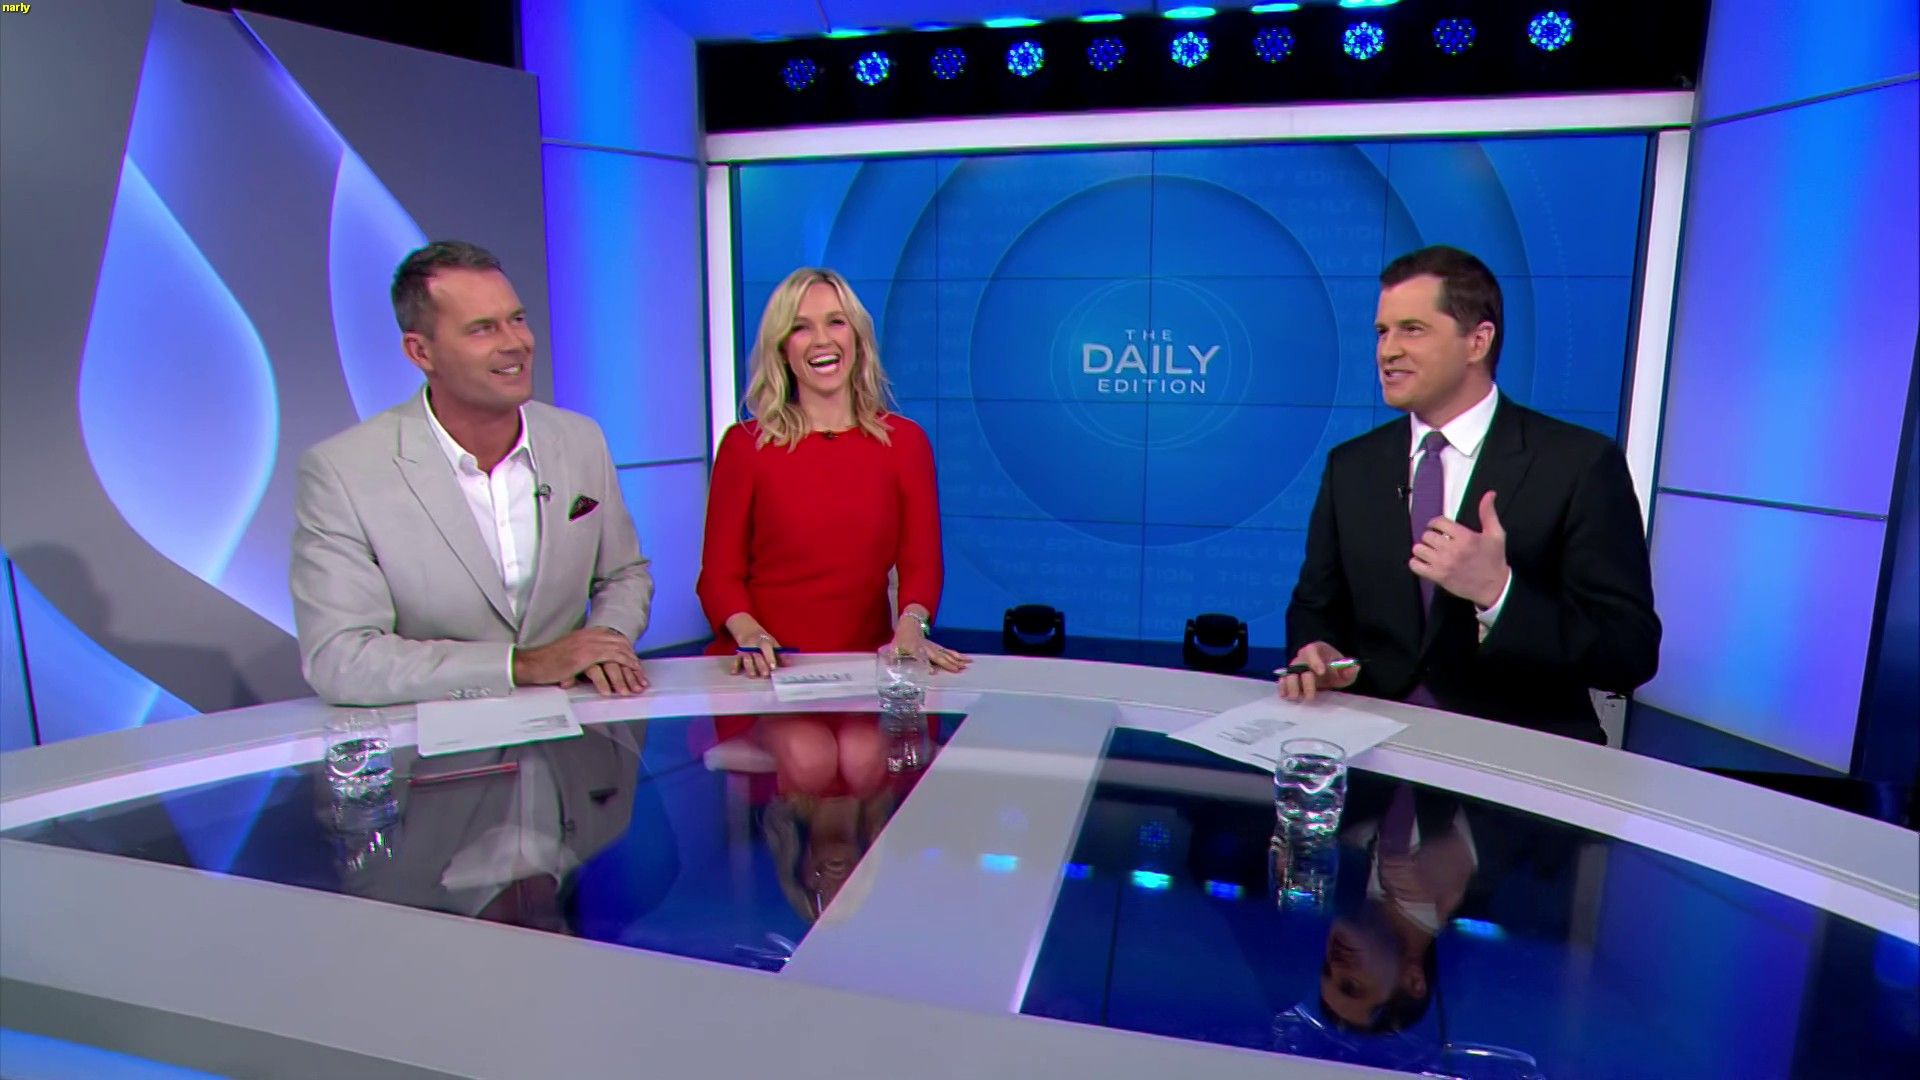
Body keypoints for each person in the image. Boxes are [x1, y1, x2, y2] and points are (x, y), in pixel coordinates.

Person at [1281, 245, 1659, 743]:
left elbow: (1629, 652)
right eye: (1382, 331)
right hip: (1371, 753)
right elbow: (1315, 606)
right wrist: (1320, 651)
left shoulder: (1578, 464)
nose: (1387, 351)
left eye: (1412, 329)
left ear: (1478, 341)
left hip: (1517, 755)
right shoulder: (1351, 466)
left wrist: (1498, 592)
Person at [291, 241, 653, 707]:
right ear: (421, 352)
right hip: (434, 738)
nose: (516, 342)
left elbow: (623, 574)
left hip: (579, 727)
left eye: (517, 319)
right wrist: (521, 665)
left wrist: (605, 641)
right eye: (482, 329)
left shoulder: (581, 439)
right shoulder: (344, 472)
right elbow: (341, 659)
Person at [697, 267, 968, 677]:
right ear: (782, 349)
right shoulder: (745, 446)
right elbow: (718, 577)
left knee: (883, 727)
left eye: (836, 322)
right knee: (796, 729)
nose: (822, 339)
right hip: (768, 666)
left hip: (866, 664)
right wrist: (750, 634)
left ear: (857, 338)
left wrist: (911, 628)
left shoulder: (905, 444)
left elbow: (922, 566)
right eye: (801, 327)